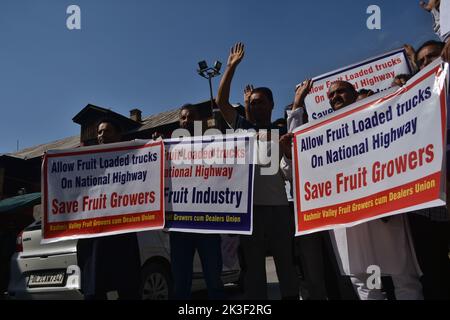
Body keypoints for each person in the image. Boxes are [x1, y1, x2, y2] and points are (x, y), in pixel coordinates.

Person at [281, 80, 424, 300]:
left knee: (402, 275)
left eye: (341, 91)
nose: (335, 96)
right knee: (364, 279)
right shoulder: (324, 130)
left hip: (382, 209)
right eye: (331, 94)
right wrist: (297, 105)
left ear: (353, 93)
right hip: (346, 219)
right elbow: (297, 151)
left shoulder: (374, 115)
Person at [215, 42, 300, 300]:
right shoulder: (241, 128)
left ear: (272, 105)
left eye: (260, 102)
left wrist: (285, 151)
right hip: (250, 212)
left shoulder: (281, 130)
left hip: (278, 210)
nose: (255, 106)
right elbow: (221, 101)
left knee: (286, 265)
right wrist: (231, 67)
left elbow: (289, 174)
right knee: (254, 272)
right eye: (251, 102)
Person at [76, 119, 141, 300]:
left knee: (128, 287)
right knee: (94, 289)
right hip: (94, 236)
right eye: (99, 132)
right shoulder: (86, 162)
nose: (102, 135)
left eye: (107, 131)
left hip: (121, 234)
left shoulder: (131, 158)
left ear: (118, 135)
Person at [168, 104, 225, 300]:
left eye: (191, 117)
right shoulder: (169, 150)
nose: (187, 121)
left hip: (207, 225)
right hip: (180, 228)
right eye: (183, 118)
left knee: (214, 280)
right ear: (179, 122)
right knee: (181, 282)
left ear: (199, 121)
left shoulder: (212, 146)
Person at [408, 39, 450, 300]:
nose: (426, 64)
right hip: (426, 209)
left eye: (431, 57)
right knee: (434, 274)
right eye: (421, 61)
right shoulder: (414, 102)